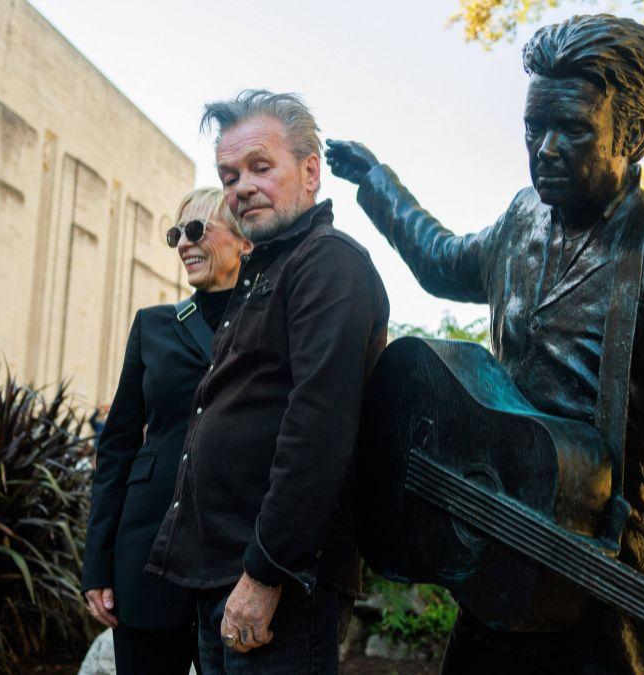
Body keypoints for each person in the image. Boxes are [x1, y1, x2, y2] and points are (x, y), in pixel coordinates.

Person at [326, 14, 644, 675]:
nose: (546, 149)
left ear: (633, 136)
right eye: (534, 127)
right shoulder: (520, 221)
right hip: (501, 588)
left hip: (620, 612)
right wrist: (376, 182)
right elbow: (441, 260)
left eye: (574, 130)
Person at [145, 90, 390, 674]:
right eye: (229, 176)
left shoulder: (329, 263)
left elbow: (319, 432)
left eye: (260, 167)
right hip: (221, 575)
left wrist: (265, 572)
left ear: (310, 172)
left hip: (279, 586)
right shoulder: (261, 274)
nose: (242, 188)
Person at [81, 187, 252, 674]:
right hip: (146, 556)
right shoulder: (152, 326)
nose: (184, 243)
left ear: (245, 242)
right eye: (177, 234)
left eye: (197, 229)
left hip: (235, 562)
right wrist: (97, 564)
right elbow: (116, 448)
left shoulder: (271, 323)